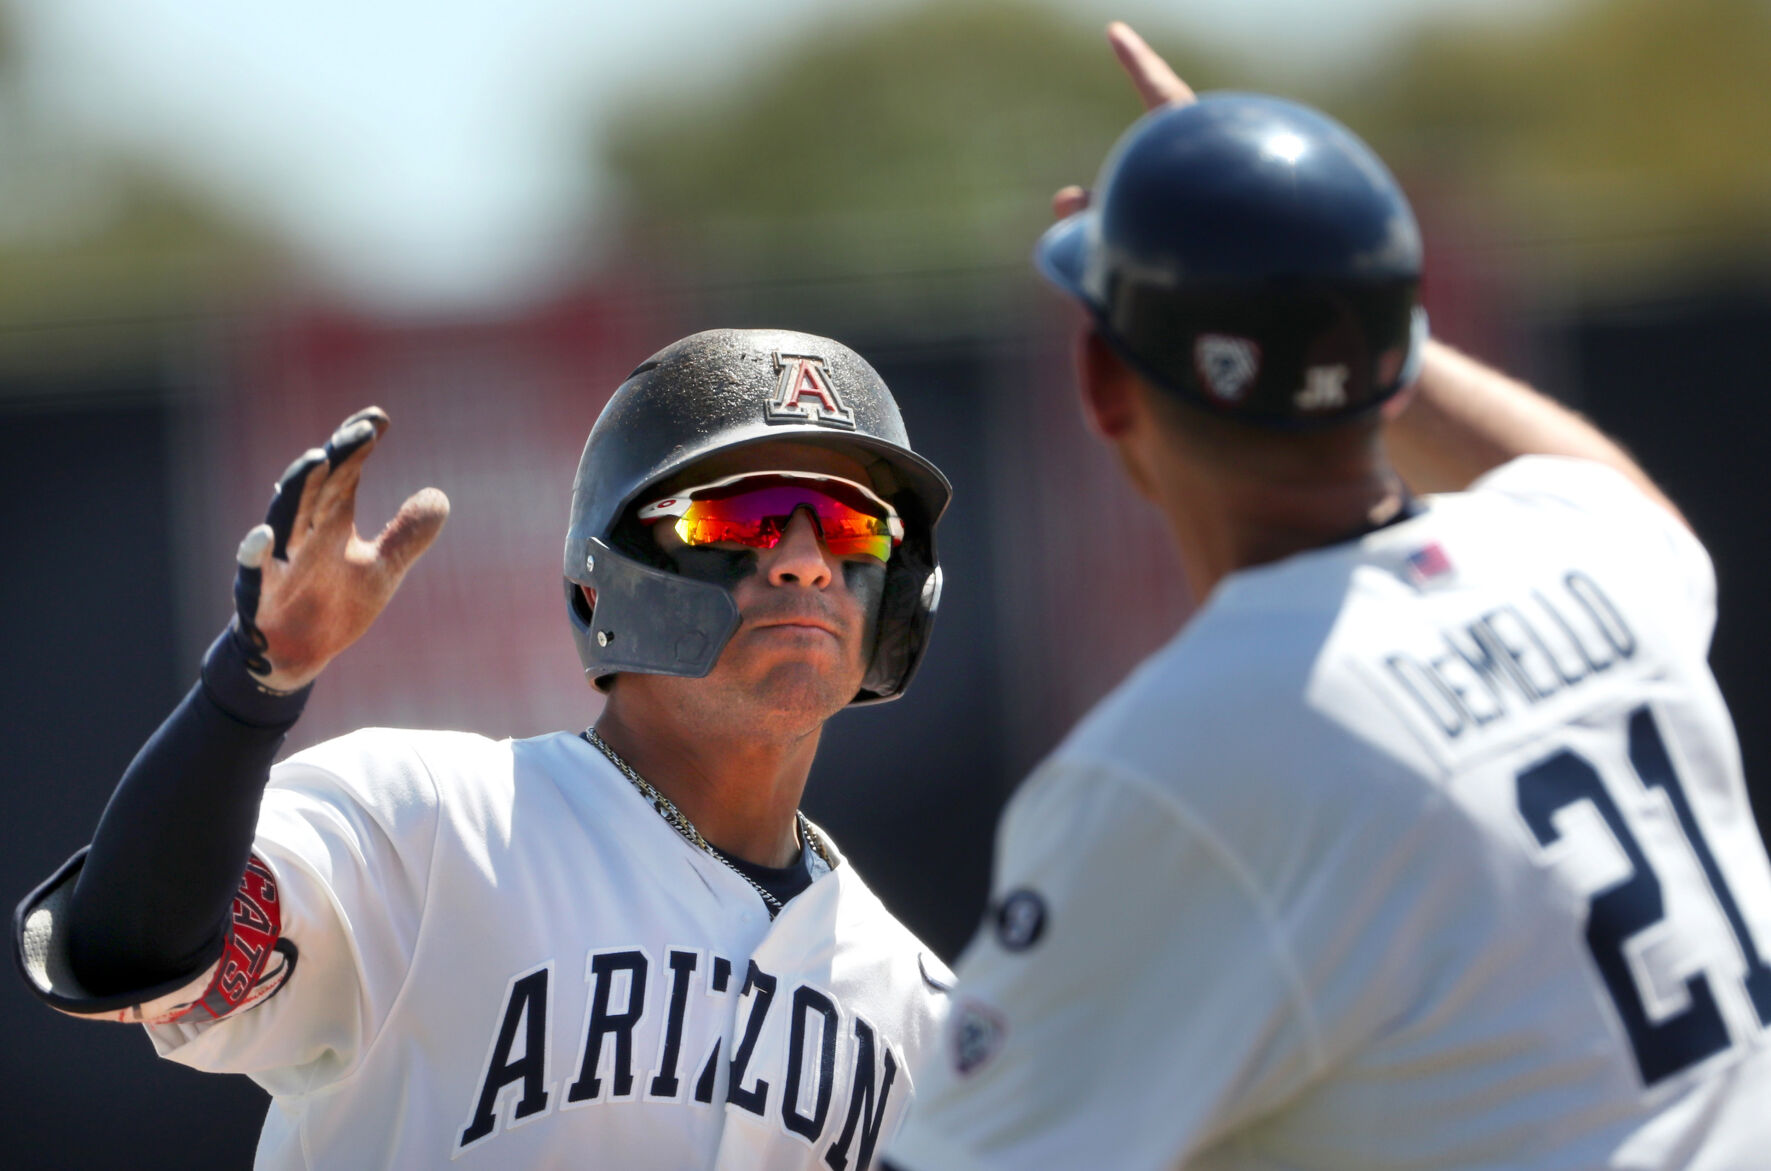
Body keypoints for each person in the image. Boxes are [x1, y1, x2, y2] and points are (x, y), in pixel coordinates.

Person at [887, 24, 1771, 1171]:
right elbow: (1604, 490)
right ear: (1390, 357)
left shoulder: (1181, 765)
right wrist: (1321, 290)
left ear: (1101, 386)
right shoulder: (1584, 561)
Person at [16, 328, 955, 1170]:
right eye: (738, 516)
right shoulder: (425, 822)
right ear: (603, 585)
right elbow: (127, 949)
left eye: (848, 523)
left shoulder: (926, 1016)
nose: (803, 560)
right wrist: (249, 692)